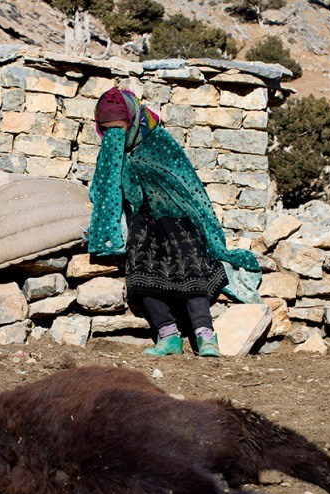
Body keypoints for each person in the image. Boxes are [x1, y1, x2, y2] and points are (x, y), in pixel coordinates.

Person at [87, 87, 263, 357]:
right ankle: (168, 334)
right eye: (108, 131)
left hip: (180, 217)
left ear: (132, 120)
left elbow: (187, 186)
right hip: (144, 221)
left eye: (119, 130)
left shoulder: (159, 142)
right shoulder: (113, 151)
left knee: (190, 259)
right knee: (139, 267)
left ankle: (206, 335)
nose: (115, 138)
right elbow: (107, 190)